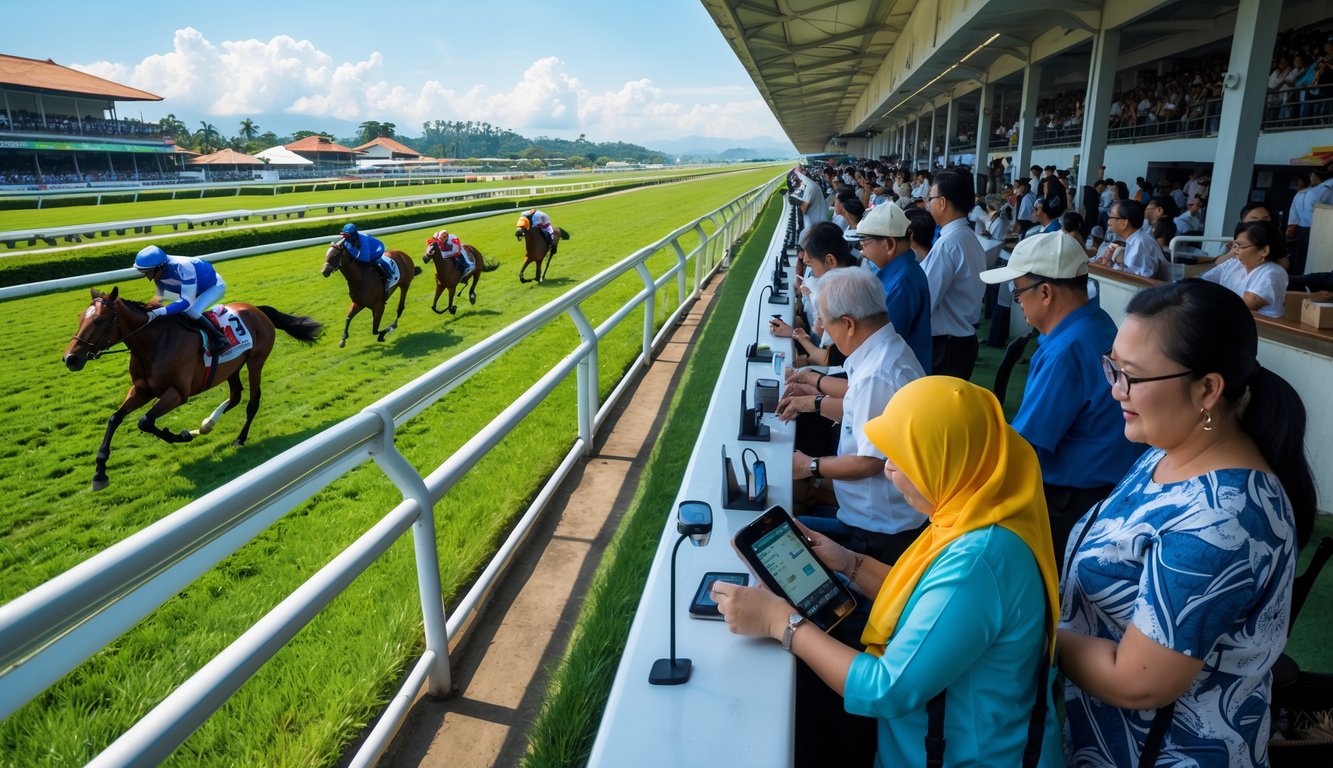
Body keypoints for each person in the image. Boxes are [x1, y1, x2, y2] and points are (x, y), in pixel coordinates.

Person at [714, 376, 1063, 768]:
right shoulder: (976, 512)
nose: (889, 471)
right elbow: (925, 598)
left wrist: (779, 622)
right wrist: (848, 562)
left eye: (904, 459)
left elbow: (884, 689)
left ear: (948, 462)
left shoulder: (978, 563)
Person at [1060, 279, 1316, 767]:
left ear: (1207, 389)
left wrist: (1030, 630)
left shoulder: (1224, 518)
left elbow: (1137, 682)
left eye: (1132, 376)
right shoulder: (1166, 452)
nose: (1115, 389)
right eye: (1113, 366)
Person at [980, 232, 1144, 567]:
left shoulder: (1065, 350)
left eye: (1017, 291)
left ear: (1045, 292)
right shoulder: (1097, 322)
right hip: (1108, 490)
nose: (1017, 301)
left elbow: (1025, 445)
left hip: (1072, 501)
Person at [781, 268, 927, 563]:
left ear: (848, 323)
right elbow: (860, 404)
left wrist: (809, 466)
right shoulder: (886, 350)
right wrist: (811, 398)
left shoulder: (878, 374)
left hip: (879, 531)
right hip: (876, 517)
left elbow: (869, 462)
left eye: (825, 321)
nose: (822, 329)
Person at [922, 170, 987, 380]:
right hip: (961, 341)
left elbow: (926, 299)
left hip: (947, 346)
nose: (928, 204)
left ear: (942, 203)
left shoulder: (948, 245)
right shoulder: (968, 237)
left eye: (930, 198)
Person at [854, 202, 932, 374]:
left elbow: (879, 341)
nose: (862, 252)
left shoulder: (902, 282)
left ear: (889, 244)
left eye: (864, 244)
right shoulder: (902, 273)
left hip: (898, 377)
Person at [133, 244, 229, 354]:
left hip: (214, 286)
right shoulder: (159, 272)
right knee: (176, 313)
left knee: (191, 311)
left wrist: (158, 312)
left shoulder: (183, 266)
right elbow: (161, 295)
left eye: (148, 272)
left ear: (160, 266)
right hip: (193, 288)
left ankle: (219, 337)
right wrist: (147, 308)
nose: (148, 276)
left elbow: (187, 302)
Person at [1200, 220, 1290, 319]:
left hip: (1259, 327)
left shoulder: (1273, 272)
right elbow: (1201, 283)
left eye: (1240, 246)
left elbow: (1245, 304)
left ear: (1264, 250)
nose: (1235, 251)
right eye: (1235, 246)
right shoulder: (1234, 263)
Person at [1095, 199, 1162, 278]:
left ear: (1124, 223)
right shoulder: (1136, 238)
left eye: (1111, 217)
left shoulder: (1140, 243)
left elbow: (1139, 279)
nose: (1108, 222)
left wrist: (1115, 264)